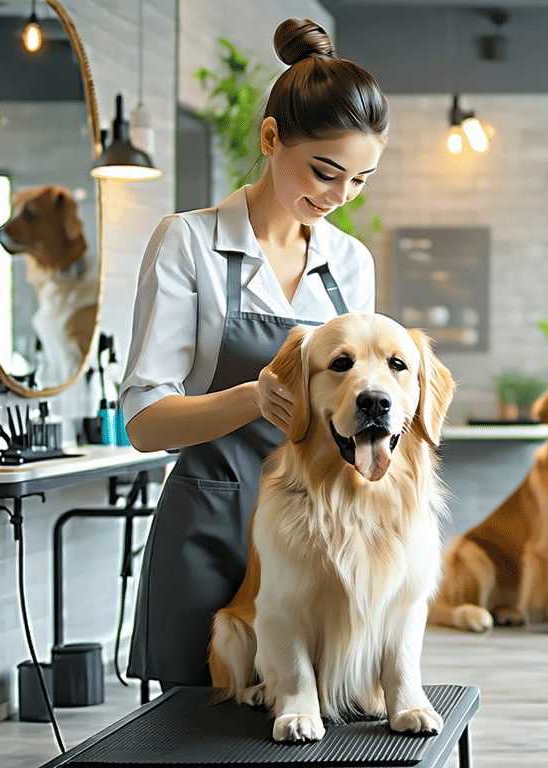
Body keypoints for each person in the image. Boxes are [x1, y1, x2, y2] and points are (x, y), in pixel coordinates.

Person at [118, 18, 387, 689]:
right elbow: (146, 423)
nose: (337, 198)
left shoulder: (350, 265)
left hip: (315, 535)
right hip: (213, 527)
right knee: (190, 735)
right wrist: (251, 398)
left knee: (311, 724)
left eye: (360, 181)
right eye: (325, 172)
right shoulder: (187, 244)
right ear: (271, 138)